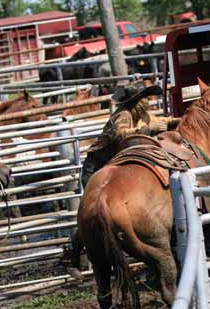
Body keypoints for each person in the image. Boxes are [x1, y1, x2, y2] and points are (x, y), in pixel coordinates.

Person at [65, 81, 181, 277]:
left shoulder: (141, 115)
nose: (149, 101)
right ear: (137, 102)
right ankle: (72, 255)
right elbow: (119, 134)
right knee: (93, 210)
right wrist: (148, 129)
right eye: (145, 98)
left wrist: (174, 121)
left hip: (113, 163)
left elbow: (158, 120)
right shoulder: (123, 115)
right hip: (97, 165)